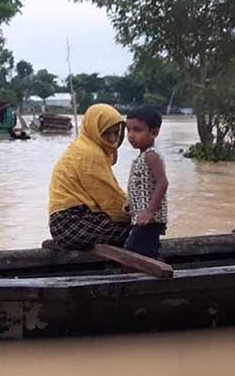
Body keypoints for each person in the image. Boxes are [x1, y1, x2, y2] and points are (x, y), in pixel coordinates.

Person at [46, 103, 130, 250]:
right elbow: (110, 199)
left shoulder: (82, 146)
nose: (112, 139)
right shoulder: (90, 154)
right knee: (136, 233)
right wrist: (140, 215)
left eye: (116, 133)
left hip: (63, 224)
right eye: (106, 133)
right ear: (94, 130)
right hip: (72, 222)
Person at [124, 107, 168, 259]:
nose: (131, 135)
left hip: (149, 219)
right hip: (141, 218)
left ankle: (148, 277)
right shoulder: (142, 156)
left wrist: (150, 211)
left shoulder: (151, 155)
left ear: (154, 133)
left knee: (133, 254)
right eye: (128, 130)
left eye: (137, 130)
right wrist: (130, 203)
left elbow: (162, 182)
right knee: (146, 251)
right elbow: (141, 184)